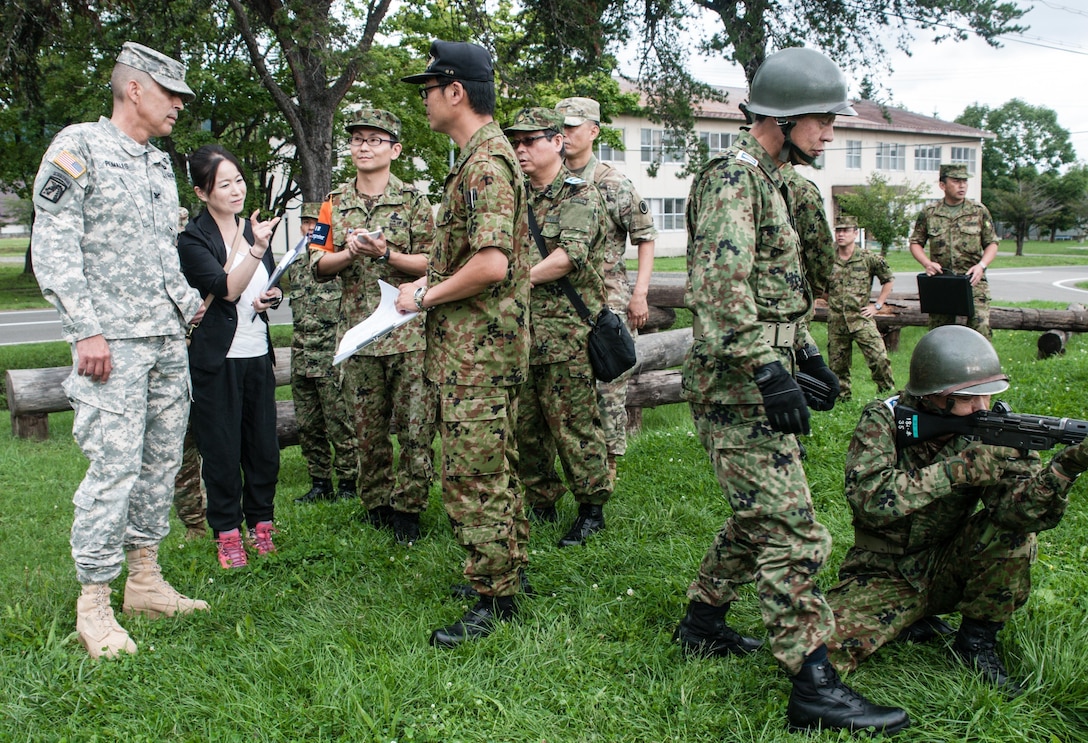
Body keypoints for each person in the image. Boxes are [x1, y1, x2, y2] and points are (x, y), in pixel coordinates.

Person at [676, 47, 909, 734]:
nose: (831, 132)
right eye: (823, 120)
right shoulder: (733, 180)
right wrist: (768, 368)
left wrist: (804, 354)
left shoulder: (776, 183)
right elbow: (719, 292)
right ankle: (813, 683)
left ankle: (702, 621)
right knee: (794, 530)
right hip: (735, 385)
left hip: (757, 377)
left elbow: (776, 287)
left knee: (758, 513)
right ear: (781, 116)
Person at [31, 42, 209, 659]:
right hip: (113, 343)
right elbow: (53, 247)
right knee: (114, 468)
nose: (180, 107)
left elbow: (160, 253)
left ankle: (145, 580)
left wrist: (189, 303)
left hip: (165, 338)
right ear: (134, 88)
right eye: (170, 95)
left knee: (160, 464)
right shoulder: (78, 147)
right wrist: (86, 330)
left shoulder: (157, 164)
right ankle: (94, 603)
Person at [826, 325, 1088, 696]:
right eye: (969, 398)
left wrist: (1063, 470)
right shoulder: (884, 419)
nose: (981, 408)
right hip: (883, 570)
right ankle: (912, 619)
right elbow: (870, 502)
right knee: (818, 649)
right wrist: (957, 470)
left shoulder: (995, 430)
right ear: (935, 395)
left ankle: (976, 643)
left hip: (950, 561)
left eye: (988, 396)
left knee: (1009, 534)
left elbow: (1020, 515)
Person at [396, 40, 531, 647]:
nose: (424, 99)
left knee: (472, 473)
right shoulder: (476, 159)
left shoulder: (485, 165)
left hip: (479, 352)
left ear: (456, 92)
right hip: (474, 348)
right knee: (492, 465)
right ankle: (500, 572)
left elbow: (492, 265)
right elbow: (464, 257)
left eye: (428, 88)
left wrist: (423, 296)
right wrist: (428, 281)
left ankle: (495, 600)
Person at [310, 109, 436, 544]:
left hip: (407, 335)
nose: (363, 146)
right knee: (368, 434)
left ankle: (410, 509)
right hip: (359, 337)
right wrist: (348, 253)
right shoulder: (333, 203)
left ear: (394, 150)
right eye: (357, 139)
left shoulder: (416, 202)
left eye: (374, 140)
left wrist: (386, 255)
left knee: (416, 430)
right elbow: (316, 265)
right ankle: (377, 505)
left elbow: (434, 262)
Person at [505, 107, 612, 548]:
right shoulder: (512, 198)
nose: (522, 149)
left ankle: (592, 508)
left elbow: (567, 257)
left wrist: (508, 280)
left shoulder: (580, 196)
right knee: (526, 426)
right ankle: (541, 499)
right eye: (517, 142)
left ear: (557, 142)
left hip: (567, 334)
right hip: (519, 333)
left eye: (531, 140)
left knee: (573, 424)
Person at [178, 145, 283, 570]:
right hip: (216, 361)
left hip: (257, 354)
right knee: (221, 452)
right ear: (203, 193)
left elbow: (266, 284)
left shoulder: (253, 227)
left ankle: (262, 526)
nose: (236, 190)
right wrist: (253, 249)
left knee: (263, 450)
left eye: (238, 180)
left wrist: (273, 297)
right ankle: (227, 534)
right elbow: (226, 288)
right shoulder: (193, 239)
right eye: (225, 184)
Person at [555, 96, 657, 482]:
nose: (565, 135)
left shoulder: (613, 184)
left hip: (606, 306)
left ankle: (608, 469)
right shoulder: (550, 181)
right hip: (561, 305)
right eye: (560, 128)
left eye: (572, 127)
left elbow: (645, 237)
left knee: (608, 390)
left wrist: (640, 293)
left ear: (593, 131)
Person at [290, 201, 359, 504]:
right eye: (305, 223)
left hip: (331, 355)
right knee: (308, 425)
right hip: (302, 354)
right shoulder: (295, 264)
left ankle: (348, 482)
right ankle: (320, 482)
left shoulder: (336, 263)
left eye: (315, 224)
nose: (309, 229)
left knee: (338, 422)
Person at [909, 163, 999, 339]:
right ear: (943, 185)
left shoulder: (978, 211)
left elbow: (992, 243)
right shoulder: (930, 212)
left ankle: (978, 366)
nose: (962, 185)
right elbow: (915, 242)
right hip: (942, 281)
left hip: (973, 280)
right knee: (939, 335)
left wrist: (982, 265)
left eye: (964, 181)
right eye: (956, 181)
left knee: (980, 330)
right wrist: (926, 263)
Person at [826, 215, 895, 401]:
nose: (841, 235)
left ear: (855, 233)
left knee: (879, 358)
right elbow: (817, 281)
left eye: (845, 230)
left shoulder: (867, 258)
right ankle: (842, 401)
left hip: (861, 318)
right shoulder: (827, 256)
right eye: (838, 230)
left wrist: (877, 305)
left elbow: (888, 279)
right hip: (837, 321)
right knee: (837, 366)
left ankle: (886, 394)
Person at [173, 207, 209, 540]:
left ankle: (218, 516)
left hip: (202, 360)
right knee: (181, 449)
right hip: (171, 362)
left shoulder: (197, 257)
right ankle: (195, 523)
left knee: (213, 443)